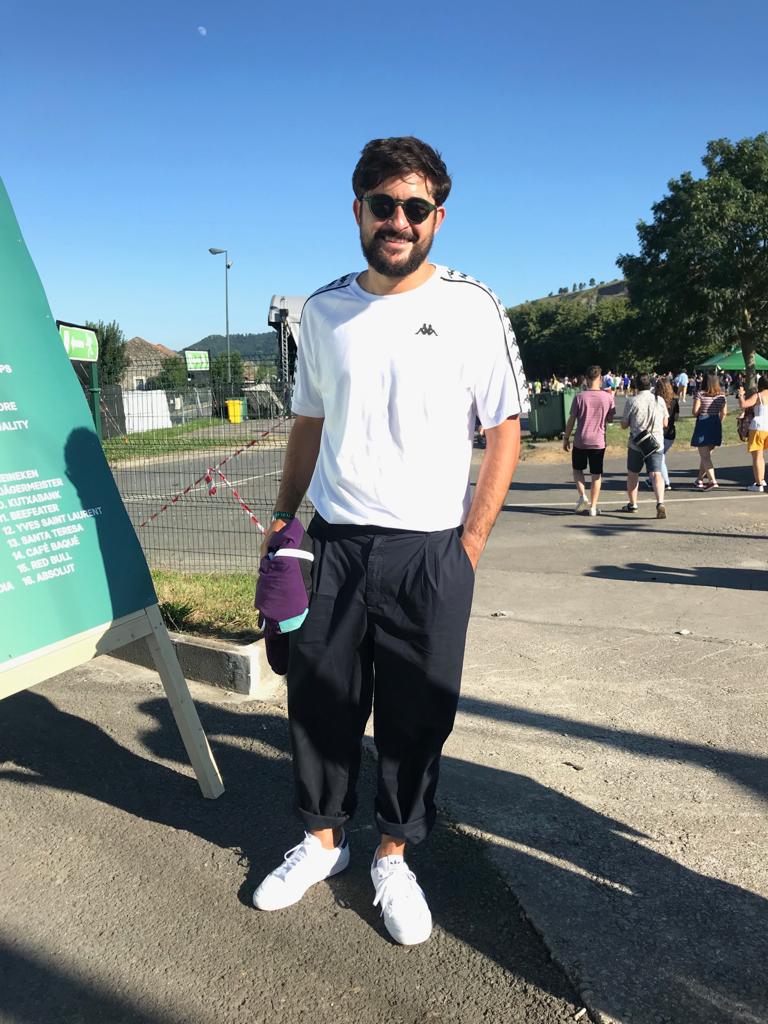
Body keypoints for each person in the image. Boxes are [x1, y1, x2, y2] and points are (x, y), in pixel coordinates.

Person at [251, 137, 528, 946]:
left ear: (438, 216)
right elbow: (309, 423)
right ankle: (322, 843)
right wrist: (282, 517)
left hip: (430, 553)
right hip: (334, 544)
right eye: (383, 204)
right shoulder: (323, 310)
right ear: (358, 210)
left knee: (417, 718)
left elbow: (504, 429)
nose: (398, 221)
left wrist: (468, 544)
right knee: (319, 706)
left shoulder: (474, 306)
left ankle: (394, 857)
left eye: (415, 207)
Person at [563, 364, 615, 516]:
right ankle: (593, 506)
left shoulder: (579, 397)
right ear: (600, 379)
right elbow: (610, 418)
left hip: (581, 439)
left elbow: (571, 420)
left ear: (586, 379)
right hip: (598, 440)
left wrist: (566, 438)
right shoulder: (607, 397)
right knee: (596, 474)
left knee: (578, 469)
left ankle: (582, 495)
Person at [619, 373, 668, 518]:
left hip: (637, 442)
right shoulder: (659, 400)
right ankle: (660, 502)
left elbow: (624, 424)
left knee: (633, 473)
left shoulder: (632, 401)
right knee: (656, 473)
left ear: (636, 385)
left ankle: (633, 504)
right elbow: (665, 423)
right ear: (650, 385)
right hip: (656, 442)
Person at [690, 371, 727, 489]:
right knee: (706, 455)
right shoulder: (722, 396)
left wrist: (702, 412)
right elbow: (724, 412)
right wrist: (718, 421)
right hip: (715, 423)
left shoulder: (700, 394)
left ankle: (712, 480)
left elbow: (695, 412)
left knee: (705, 455)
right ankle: (699, 479)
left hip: (703, 424)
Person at [646, 378, 679, 491]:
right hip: (670, 433)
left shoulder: (657, 400)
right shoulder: (674, 400)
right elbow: (676, 417)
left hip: (659, 432)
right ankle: (653, 479)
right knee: (658, 456)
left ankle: (665, 482)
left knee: (659, 458)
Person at [737, 375, 768, 491]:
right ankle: (762, 480)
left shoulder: (758, 395)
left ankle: (759, 484)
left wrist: (741, 394)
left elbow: (743, 405)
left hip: (758, 427)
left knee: (757, 457)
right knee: (762, 458)